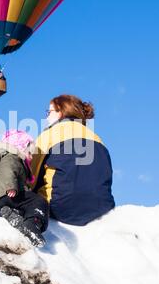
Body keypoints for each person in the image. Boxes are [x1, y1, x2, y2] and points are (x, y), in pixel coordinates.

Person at [30, 95, 115, 226]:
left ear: (61, 112)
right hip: (102, 210)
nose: (46, 117)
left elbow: (31, 176)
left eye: (49, 112)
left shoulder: (49, 135)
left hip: (60, 208)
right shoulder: (98, 139)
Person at [0, 130, 49, 247]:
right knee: (38, 201)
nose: (31, 157)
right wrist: (11, 186)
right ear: (20, 147)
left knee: (18, 207)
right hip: (5, 193)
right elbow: (7, 168)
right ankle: (33, 223)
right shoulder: (12, 156)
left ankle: (11, 215)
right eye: (30, 153)